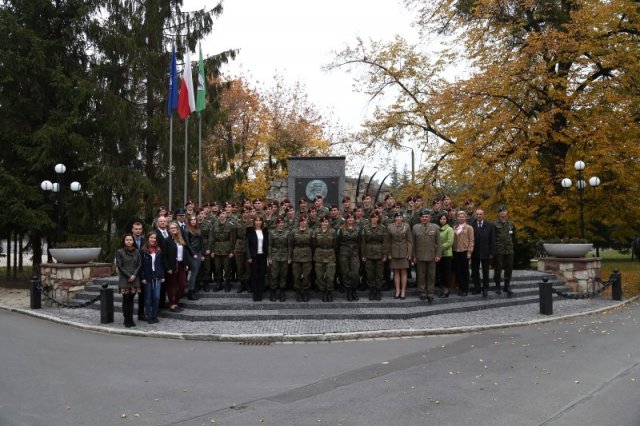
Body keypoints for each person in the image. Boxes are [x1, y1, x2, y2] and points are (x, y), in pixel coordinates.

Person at [412, 209, 442, 303]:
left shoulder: (435, 227)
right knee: (421, 275)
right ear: (420, 218)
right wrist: (414, 256)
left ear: (430, 218)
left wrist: (438, 255)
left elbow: (439, 243)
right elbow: (413, 243)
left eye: (426, 217)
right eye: (423, 217)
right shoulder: (415, 228)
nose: (424, 218)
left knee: (431, 275)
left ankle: (430, 292)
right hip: (420, 255)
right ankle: (422, 292)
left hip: (431, 255)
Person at [164, 221, 194, 312]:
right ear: (169, 230)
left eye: (175, 228)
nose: (173, 229)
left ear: (177, 229)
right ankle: (171, 304)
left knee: (182, 284)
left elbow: (184, 253)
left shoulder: (181, 239)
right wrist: (167, 268)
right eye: (171, 228)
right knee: (171, 286)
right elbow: (164, 255)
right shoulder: (167, 240)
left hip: (181, 265)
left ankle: (176, 302)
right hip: (172, 266)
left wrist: (186, 264)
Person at [361, 212, 389, 300]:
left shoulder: (383, 228)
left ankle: (378, 290)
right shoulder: (365, 228)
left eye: (376, 217)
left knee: (379, 274)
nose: (374, 219)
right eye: (372, 217)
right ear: (370, 218)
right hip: (369, 253)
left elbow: (385, 242)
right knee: (370, 274)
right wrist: (363, 254)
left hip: (379, 253)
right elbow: (363, 243)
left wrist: (385, 254)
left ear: (378, 218)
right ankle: (372, 290)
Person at [115, 234, 141, 327]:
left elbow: (139, 264)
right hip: (125, 279)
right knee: (126, 299)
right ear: (124, 241)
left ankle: (131, 318)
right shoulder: (119, 251)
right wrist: (129, 276)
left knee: (131, 299)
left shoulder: (137, 251)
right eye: (127, 240)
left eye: (130, 240)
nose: (129, 241)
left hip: (135, 278)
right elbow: (119, 265)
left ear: (133, 241)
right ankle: (126, 319)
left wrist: (134, 275)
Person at [140, 232, 164, 324]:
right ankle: (149, 316)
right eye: (151, 238)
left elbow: (161, 264)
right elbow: (141, 265)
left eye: (154, 238)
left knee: (156, 297)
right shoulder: (143, 251)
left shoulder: (158, 250)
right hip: (147, 276)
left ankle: (155, 315)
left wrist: (162, 275)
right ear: (148, 238)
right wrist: (142, 277)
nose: (153, 239)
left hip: (157, 276)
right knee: (148, 297)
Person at [388, 211, 413, 300]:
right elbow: (388, 241)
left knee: (403, 272)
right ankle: (397, 290)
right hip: (394, 251)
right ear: (395, 218)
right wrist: (389, 253)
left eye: (401, 217)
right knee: (396, 272)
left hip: (404, 251)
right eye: (397, 217)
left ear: (402, 218)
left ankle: (403, 291)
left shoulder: (406, 226)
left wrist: (409, 253)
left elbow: (409, 241)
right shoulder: (390, 226)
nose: (399, 218)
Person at [471, 209, 496, 298]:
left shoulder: (490, 226)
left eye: (480, 214)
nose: (479, 216)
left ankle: (485, 288)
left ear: (483, 215)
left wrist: (492, 252)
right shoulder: (472, 225)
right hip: (475, 252)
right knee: (475, 271)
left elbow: (492, 240)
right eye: (477, 214)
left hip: (486, 252)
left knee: (485, 271)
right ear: (475, 215)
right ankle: (477, 288)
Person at [313, 216, 337, 302]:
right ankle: (323, 291)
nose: (324, 223)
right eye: (322, 222)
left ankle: (329, 292)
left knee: (330, 276)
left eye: (326, 222)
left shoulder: (333, 231)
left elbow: (335, 244)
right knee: (319, 276)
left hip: (330, 255)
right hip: (319, 255)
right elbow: (314, 243)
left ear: (328, 223)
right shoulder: (316, 231)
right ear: (320, 223)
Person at [246, 216, 270, 302]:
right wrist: (249, 256)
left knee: (262, 274)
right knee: (254, 274)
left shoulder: (265, 231)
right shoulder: (250, 231)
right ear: (254, 222)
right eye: (256, 220)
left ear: (262, 222)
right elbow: (247, 245)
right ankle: (255, 294)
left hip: (263, 255)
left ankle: (260, 292)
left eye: (260, 220)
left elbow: (267, 244)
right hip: (254, 256)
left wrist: (268, 257)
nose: (258, 222)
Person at [210, 210, 236, 292]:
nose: (222, 215)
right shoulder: (214, 225)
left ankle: (227, 283)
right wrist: (212, 250)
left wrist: (232, 251)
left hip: (227, 249)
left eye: (223, 213)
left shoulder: (230, 226)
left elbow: (233, 239)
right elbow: (212, 239)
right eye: (220, 214)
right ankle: (219, 283)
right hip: (217, 249)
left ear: (226, 215)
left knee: (227, 267)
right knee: (217, 268)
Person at [337, 213, 360, 301]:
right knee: (345, 272)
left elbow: (360, 241)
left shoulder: (358, 229)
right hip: (344, 253)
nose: (350, 220)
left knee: (355, 273)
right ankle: (349, 292)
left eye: (352, 218)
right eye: (348, 218)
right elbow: (338, 242)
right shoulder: (341, 229)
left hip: (354, 253)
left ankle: (354, 290)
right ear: (346, 219)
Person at [289, 215, 313, 302]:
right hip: (296, 255)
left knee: (306, 275)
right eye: (302, 221)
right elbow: (290, 245)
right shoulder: (294, 231)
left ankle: (306, 291)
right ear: (299, 222)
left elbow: (313, 244)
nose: (303, 223)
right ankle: (298, 292)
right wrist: (290, 256)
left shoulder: (310, 231)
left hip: (307, 255)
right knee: (296, 275)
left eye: (305, 221)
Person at [493, 206, 515, 296]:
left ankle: (507, 285)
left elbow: (513, 236)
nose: (502, 213)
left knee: (509, 268)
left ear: (507, 212)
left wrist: (510, 244)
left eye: (504, 211)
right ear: (499, 213)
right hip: (499, 249)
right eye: (501, 211)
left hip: (509, 249)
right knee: (498, 268)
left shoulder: (511, 223)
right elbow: (493, 237)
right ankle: (497, 285)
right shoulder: (494, 223)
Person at [453, 211, 474, 296]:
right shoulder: (455, 227)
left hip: (465, 251)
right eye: (459, 216)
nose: (461, 218)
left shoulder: (469, 227)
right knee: (458, 270)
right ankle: (460, 288)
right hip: (456, 251)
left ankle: (465, 289)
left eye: (462, 216)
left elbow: (471, 240)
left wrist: (469, 251)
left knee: (465, 270)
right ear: (457, 218)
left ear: (465, 218)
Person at [268, 217, 290, 302]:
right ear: (276, 224)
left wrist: (289, 257)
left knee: (283, 275)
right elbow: (269, 245)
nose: (281, 224)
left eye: (282, 223)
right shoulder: (271, 232)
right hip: (274, 256)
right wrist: (269, 257)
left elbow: (289, 246)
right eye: (279, 223)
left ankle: (282, 292)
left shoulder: (288, 232)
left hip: (284, 256)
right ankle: (273, 291)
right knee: (274, 275)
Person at [234, 207, 253, 293]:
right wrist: (233, 248)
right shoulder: (237, 223)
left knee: (248, 267)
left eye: (247, 212)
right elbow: (233, 236)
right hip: (239, 245)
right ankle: (242, 284)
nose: (246, 214)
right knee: (239, 266)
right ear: (241, 214)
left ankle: (248, 283)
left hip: (249, 246)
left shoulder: (252, 223)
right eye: (244, 212)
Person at [436, 213, 454, 298]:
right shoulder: (438, 229)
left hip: (446, 254)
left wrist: (439, 248)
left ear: (447, 220)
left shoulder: (449, 229)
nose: (442, 220)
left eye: (444, 219)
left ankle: (446, 291)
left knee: (446, 273)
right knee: (441, 273)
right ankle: (442, 289)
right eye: (441, 219)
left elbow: (450, 242)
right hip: (439, 255)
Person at [131, 222, 146, 320]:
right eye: (136, 229)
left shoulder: (145, 240)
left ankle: (141, 314)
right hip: (132, 271)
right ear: (132, 230)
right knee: (131, 295)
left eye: (140, 229)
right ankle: (129, 315)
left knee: (142, 294)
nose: (138, 231)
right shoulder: (128, 240)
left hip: (143, 271)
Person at [185, 214, 203, 301]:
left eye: (194, 220)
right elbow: (187, 244)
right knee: (194, 273)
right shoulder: (187, 230)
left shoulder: (198, 229)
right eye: (191, 220)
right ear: (189, 221)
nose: (193, 221)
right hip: (192, 254)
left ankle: (193, 290)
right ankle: (190, 292)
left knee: (196, 272)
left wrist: (201, 253)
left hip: (199, 252)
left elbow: (201, 242)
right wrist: (193, 254)